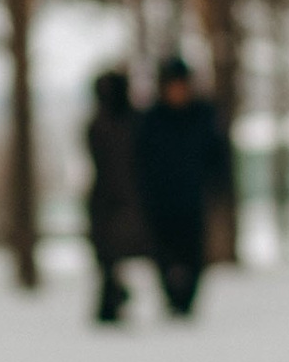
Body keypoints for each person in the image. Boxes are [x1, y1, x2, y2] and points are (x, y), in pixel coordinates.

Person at [134, 54, 231, 319]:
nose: (178, 91)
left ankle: (187, 302)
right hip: (160, 200)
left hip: (193, 198)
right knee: (163, 254)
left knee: (194, 254)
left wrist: (219, 186)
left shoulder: (203, 115)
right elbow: (140, 160)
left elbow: (217, 156)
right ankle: (171, 299)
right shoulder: (152, 120)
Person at [84, 67, 146, 326]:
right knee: (107, 258)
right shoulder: (98, 125)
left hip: (122, 199)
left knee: (115, 255)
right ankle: (111, 301)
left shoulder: (124, 123)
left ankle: (113, 300)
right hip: (107, 199)